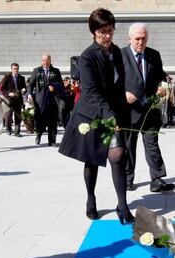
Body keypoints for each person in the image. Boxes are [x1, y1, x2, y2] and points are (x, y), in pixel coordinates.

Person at [59, 8, 134, 224]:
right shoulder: (87, 57)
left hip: (113, 113)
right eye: (103, 32)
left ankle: (123, 205)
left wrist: (122, 113)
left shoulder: (117, 52)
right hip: (92, 114)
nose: (108, 36)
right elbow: (91, 92)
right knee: (92, 160)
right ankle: (91, 198)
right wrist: (110, 116)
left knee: (118, 155)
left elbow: (119, 86)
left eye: (110, 31)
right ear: (93, 32)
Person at [121, 23, 175, 193]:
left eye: (144, 38)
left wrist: (163, 86)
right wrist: (123, 95)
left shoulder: (154, 55)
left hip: (150, 109)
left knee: (152, 144)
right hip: (129, 111)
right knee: (129, 146)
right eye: (137, 39)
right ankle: (128, 179)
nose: (140, 42)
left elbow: (161, 76)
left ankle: (157, 179)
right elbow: (112, 82)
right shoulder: (120, 55)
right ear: (129, 38)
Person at [27, 54, 63, 146]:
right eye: (43, 60)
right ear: (41, 61)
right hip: (40, 99)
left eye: (47, 60)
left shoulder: (56, 71)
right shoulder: (37, 70)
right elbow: (31, 84)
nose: (45, 62)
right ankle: (38, 135)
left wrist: (54, 88)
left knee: (52, 121)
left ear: (50, 61)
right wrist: (29, 94)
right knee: (40, 119)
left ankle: (52, 141)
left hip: (52, 99)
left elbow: (60, 84)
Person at [0, 63, 26, 137]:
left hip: (18, 99)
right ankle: (8, 128)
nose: (16, 70)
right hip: (9, 100)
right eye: (14, 69)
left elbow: (24, 88)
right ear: (11, 69)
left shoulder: (22, 78)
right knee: (9, 115)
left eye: (17, 69)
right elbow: (2, 89)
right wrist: (9, 93)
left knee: (18, 115)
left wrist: (23, 91)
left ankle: (17, 131)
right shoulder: (7, 77)